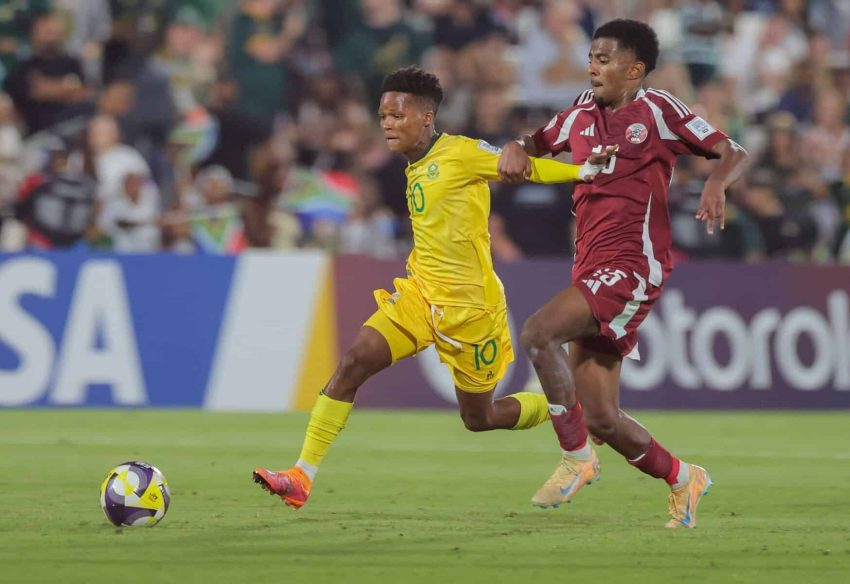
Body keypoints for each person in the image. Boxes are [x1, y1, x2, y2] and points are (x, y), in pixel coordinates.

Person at [253, 66, 616, 509]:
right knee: (354, 361)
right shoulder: (413, 163)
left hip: (471, 310)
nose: (387, 124)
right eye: (383, 116)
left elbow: (525, 166)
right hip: (420, 295)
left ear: (426, 118)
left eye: (397, 115)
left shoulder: (460, 153)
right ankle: (301, 475)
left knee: (480, 417)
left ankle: (570, 407)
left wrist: (582, 171)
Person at [497, 19, 749, 528]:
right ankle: (684, 477)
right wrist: (516, 145)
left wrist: (716, 183)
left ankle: (576, 458)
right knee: (602, 418)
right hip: (589, 266)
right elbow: (536, 141)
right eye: (591, 57)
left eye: (604, 59)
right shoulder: (579, 112)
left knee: (538, 332)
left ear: (634, 70)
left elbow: (732, 151)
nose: (593, 66)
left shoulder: (658, 109)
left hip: (632, 265)